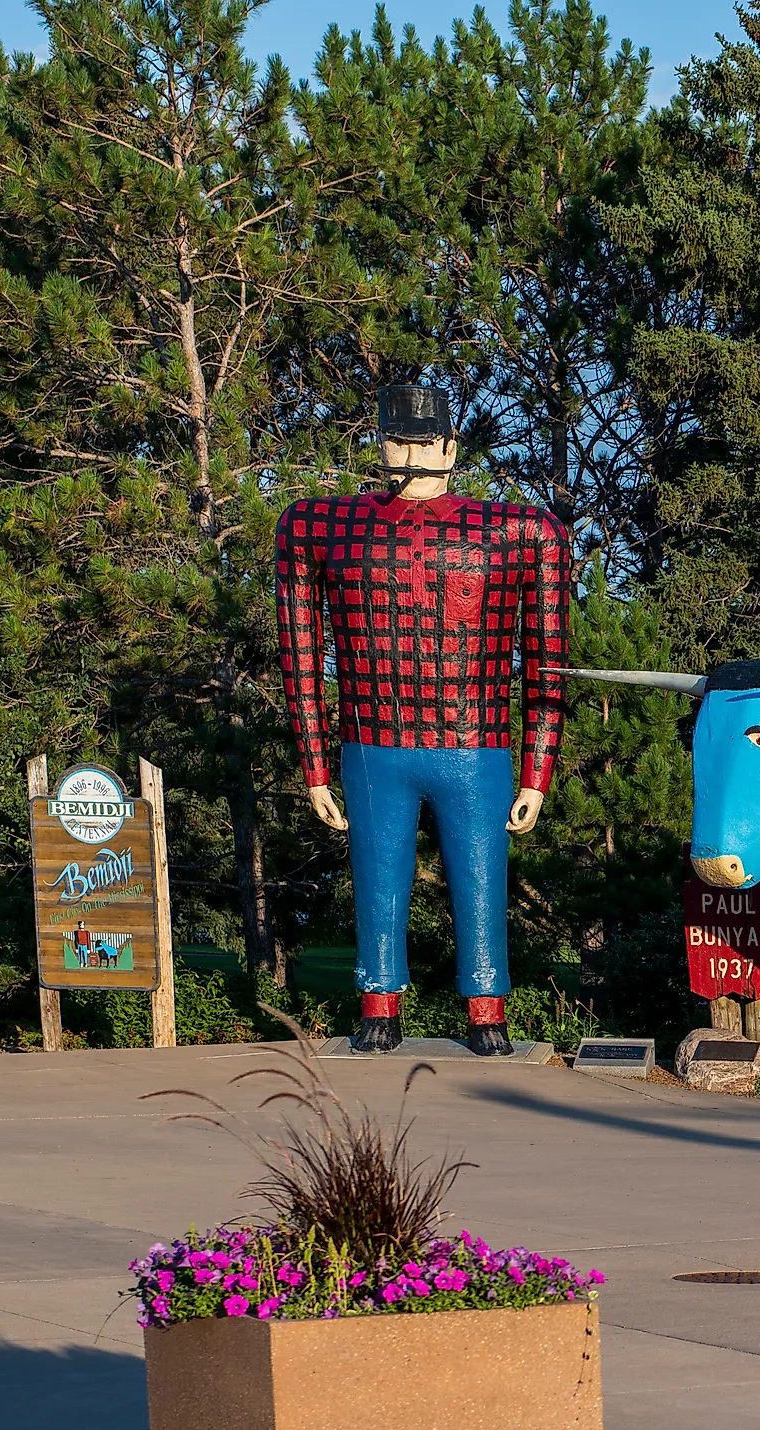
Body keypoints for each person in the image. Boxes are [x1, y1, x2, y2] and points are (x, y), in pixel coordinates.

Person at [275, 385, 569, 1055]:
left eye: (422, 442)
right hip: (376, 738)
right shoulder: (318, 525)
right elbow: (299, 655)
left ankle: (487, 1006)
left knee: (480, 872)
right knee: (377, 873)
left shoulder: (519, 532)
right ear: (379, 444)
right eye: (396, 440)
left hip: (477, 738)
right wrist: (316, 768)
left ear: (449, 449)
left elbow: (548, 664)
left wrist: (536, 772)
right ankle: (378, 1001)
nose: (408, 455)